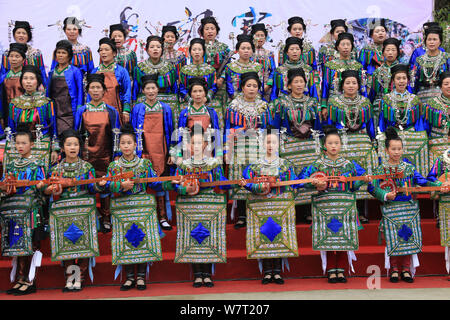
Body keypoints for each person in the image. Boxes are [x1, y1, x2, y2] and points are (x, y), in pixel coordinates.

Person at [368, 126, 444, 283]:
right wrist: (385, 195)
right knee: (393, 239)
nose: (397, 152)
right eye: (393, 149)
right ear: (387, 150)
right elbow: (371, 187)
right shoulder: (381, 169)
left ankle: (406, 269)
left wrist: (437, 184)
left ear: (403, 150)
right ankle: (394, 269)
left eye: (399, 149)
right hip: (391, 208)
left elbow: (422, 180)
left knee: (407, 237)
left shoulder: (409, 168)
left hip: (408, 208)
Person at [101, 123, 168, 291]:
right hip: (122, 208)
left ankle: (141, 277)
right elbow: (107, 186)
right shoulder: (114, 166)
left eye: (129, 143)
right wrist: (120, 186)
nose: (126, 146)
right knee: (126, 241)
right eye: (123, 143)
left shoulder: (144, 164)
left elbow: (155, 183)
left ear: (135, 145)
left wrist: (170, 182)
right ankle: (129, 277)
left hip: (142, 206)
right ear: (119, 145)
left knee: (142, 240)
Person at [299, 125, 367, 283]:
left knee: (344, 238)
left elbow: (360, 179)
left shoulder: (349, 164)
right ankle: (331, 269)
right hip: (326, 205)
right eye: (330, 143)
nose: (334, 146)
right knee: (329, 237)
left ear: (341, 145)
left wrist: (359, 181)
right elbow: (303, 179)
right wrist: (314, 183)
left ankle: (341, 270)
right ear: (324, 146)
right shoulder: (318, 164)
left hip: (344, 205)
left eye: (336, 143)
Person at [169, 124, 230, 288]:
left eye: (199, 143)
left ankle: (208, 274)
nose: (196, 147)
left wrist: (237, 184)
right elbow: (173, 185)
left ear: (205, 145)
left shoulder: (213, 164)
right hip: (189, 205)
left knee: (208, 236)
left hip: (209, 204)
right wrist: (183, 188)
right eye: (192, 143)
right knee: (193, 237)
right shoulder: (183, 165)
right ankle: (197, 274)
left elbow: (222, 182)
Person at [242, 126, 300, 284]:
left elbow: (293, 182)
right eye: (267, 142)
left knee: (280, 234)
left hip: (280, 205)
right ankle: (268, 271)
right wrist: (258, 187)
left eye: (273, 142)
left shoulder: (285, 165)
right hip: (261, 205)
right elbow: (246, 181)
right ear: (262, 144)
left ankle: (278, 271)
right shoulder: (255, 166)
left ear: (278, 144)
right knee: (264, 234)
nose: (270, 145)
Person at [44, 129, 100, 292]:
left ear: (80, 147)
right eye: (69, 144)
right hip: (64, 211)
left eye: (75, 144)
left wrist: (100, 185)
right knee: (67, 245)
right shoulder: (55, 170)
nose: (72, 147)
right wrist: (51, 189)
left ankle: (79, 277)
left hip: (83, 209)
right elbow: (47, 191)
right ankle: (70, 277)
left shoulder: (87, 167)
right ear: (62, 147)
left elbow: (92, 187)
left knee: (83, 244)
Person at [1, 123, 46, 295]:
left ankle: (30, 280)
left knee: (30, 244)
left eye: (23, 143)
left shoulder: (36, 165)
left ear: (31, 144)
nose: (20, 146)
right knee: (17, 244)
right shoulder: (11, 165)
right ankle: (20, 278)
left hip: (31, 210)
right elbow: (5, 185)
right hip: (14, 210)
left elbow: (42, 187)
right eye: (17, 143)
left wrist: (41, 186)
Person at [270, 67, 320, 222]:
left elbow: (317, 125)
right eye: (295, 82)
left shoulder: (312, 102)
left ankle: (307, 210)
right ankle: (292, 209)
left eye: (302, 81)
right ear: (289, 85)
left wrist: (320, 142)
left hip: (309, 143)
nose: (299, 85)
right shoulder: (280, 103)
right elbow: (275, 125)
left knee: (309, 172)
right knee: (291, 174)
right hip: (289, 143)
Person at [224, 72, 272, 228]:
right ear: (242, 87)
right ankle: (242, 215)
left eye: (255, 86)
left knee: (258, 175)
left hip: (259, 145)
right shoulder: (233, 106)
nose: (252, 89)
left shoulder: (264, 106)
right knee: (241, 176)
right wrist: (226, 149)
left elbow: (268, 127)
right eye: (249, 86)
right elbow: (228, 128)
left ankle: (258, 212)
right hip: (240, 146)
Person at [74, 73, 120, 233]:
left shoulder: (111, 111)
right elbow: (77, 133)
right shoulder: (81, 110)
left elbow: (116, 134)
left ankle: (106, 216)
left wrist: (116, 154)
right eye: (92, 87)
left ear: (104, 91)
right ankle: (92, 217)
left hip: (106, 152)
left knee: (105, 184)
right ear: (87, 91)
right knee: (88, 185)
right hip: (86, 154)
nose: (95, 90)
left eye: (98, 88)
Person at [130, 74, 174, 230]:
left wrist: (171, 152)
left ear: (157, 89)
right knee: (142, 180)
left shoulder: (165, 108)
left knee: (160, 181)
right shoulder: (138, 108)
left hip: (161, 149)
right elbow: (134, 130)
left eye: (153, 88)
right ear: (143, 90)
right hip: (143, 149)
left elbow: (170, 130)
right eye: (147, 88)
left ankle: (162, 216)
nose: (150, 91)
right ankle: (143, 215)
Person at [7, 65, 59, 166]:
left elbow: (54, 128)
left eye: (32, 78)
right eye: (25, 78)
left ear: (38, 81)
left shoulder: (46, 103)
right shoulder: (14, 104)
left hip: (42, 145)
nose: (28, 82)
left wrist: (55, 149)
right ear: (21, 81)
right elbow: (11, 129)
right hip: (21, 147)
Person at [172, 77, 221, 164]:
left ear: (205, 93)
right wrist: (179, 155)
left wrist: (219, 154)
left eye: (200, 91)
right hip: (189, 150)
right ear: (190, 94)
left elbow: (216, 134)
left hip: (207, 149)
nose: (198, 94)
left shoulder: (211, 113)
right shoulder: (185, 113)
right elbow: (179, 135)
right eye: (194, 91)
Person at [133, 35, 178, 122]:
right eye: (152, 47)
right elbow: (136, 88)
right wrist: (134, 103)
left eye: (158, 47)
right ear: (147, 50)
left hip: (167, 101)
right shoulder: (140, 67)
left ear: (162, 49)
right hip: (145, 100)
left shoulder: (170, 67)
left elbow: (174, 88)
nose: (155, 49)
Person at [91, 37, 132, 124]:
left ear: (114, 53)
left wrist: (126, 110)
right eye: (101, 50)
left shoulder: (121, 71)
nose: (103, 52)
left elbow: (127, 91)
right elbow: (89, 92)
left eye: (106, 49)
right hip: (96, 111)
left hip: (116, 111)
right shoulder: (94, 71)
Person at [47, 40, 83, 135]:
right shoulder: (52, 72)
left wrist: (79, 107)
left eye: (63, 53)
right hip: (55, 107)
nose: (60, 55)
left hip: (69, 108)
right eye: (58, 53)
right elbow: (48, 91)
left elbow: (80, 90)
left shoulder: (75, 71)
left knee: (69, 133)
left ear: (69, 56)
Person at [321, 32, 365, 105]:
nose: (346, 47)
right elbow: (325, 85)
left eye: (348, 44)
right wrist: (323, 105)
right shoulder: (329, 66)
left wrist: (363, 102)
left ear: (352, 47)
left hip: (355, 102)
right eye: (343, 44)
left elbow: (362, 86)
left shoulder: (358, 66)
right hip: (335, 104)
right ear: (338, 47)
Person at [1, 20, 48, 89]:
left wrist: (43, 86)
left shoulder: (36, 54)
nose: (21, 35)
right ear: (14, 35)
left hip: (32, 88)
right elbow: (3, 72)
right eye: (18, 33)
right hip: (11, 88)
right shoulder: (7, 54)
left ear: (28, 36)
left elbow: (42, 73)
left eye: (24, 33)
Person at [271, 37, 319, 101]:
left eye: (297, 49)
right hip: (284, 104)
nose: (294, 51)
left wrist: (315, 105)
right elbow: (274, 92)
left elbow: (313, 91)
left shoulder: (308, 70)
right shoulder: (279, 71)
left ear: (301, 51)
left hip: (305, 104)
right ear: (287, 52)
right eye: (291, 49)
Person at [412, 26, 450, 104]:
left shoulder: (446, 58)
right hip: (422, 97)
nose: (431, 42)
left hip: (443, 97)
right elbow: (413, 81)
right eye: (429, 39)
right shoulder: (419, 60)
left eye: (434, 39)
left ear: (440, 42)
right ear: (425, 42)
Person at [199, 17, 230, 105]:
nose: (210, 31)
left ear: (217, 31)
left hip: (220, 83)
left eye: (212, 29)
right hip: (202, 82)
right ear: (202, 31)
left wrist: (222, 78)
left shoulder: (224, 47)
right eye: (207, 29)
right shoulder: (197, 47)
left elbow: (228, 65)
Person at [222, 34, 264, 100]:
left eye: (248, 48)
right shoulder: (230, 67)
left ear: (252, 51)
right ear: (237, 51)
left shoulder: (258, 67)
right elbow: (229, 87)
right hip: (235, 101)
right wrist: (239, 100)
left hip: (255, 100)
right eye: (243, 48)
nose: (246, 51)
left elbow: (260, 87)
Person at [423, 72, 450, 166]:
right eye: (446, 84)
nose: (449, 86)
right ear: (440, 86)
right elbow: (426, 126)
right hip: (436, 144)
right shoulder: (432, 104)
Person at [178, 38, 217, 103]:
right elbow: (182, 88)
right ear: (190, 52)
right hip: (189, 103)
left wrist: (206, 98)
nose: (197, 52)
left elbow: (213, 87)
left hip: (206, 102)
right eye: (194, 50)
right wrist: (190, 99)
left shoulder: (210, 69)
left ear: (203, 52)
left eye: (199, 50)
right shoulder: (184, 70)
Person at [0, 43, 28, 134]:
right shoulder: (3, 77)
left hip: (25, 112)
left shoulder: (27, 76)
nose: (14, 59)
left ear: (23, 59)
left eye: (17, 56)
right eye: (11, 56)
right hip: (8, 113)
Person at [250, 23, 276, 101]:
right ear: (252, 37)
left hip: (266, 88)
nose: (260, 38)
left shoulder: (269, 54)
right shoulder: (248, 53)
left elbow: (273, 71)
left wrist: (268, 85)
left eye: (262, 35)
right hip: (250, 87)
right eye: (257, 35)